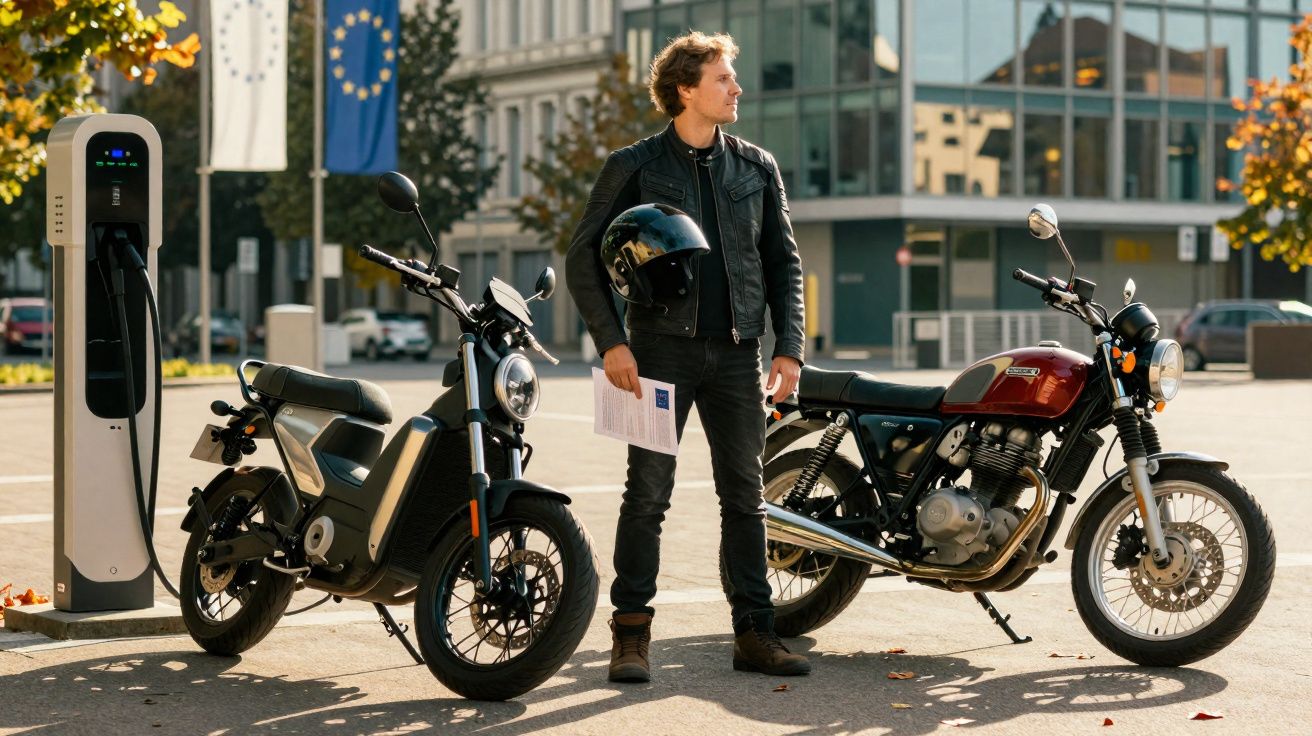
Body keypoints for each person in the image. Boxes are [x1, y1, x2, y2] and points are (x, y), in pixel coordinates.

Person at [564, 31, 807, 682]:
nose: (737, 89)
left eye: (733, 78)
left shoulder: (757, 167)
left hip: (737, 356)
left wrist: (790, 349)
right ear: (686, 89)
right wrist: (611, 343)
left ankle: (756, 634)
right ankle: (630, 635)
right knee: (645, 494)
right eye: (725, 79)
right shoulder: (635, 165)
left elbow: (784, 262)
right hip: (650, 353)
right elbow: (581, 258)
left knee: (746, 498)